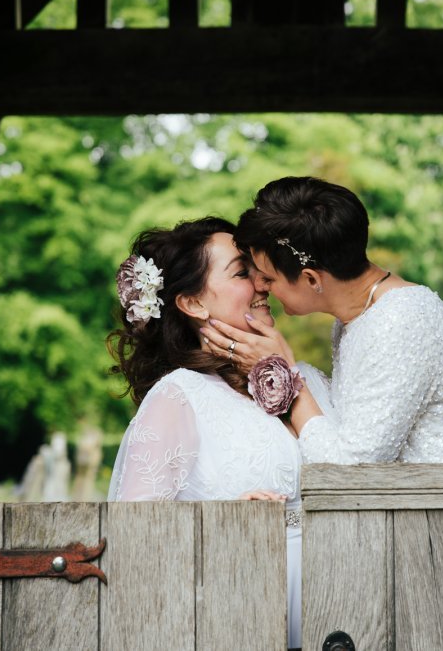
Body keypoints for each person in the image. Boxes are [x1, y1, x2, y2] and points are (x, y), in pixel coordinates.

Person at [106, 217, 304, 649]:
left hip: (338, 616)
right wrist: (220, 524)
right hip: (239, 624)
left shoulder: (309, 382)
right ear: (194, 303)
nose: (263, 282)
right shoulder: (179, 397)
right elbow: (133, 544)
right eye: (241, 272)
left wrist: (286, 369)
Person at [201, 176, 443, 464]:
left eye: (268, 277)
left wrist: (284, 372)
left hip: (435, 502)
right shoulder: (358, 316)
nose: (261, 286)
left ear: (311, 279)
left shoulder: (400, 322)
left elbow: (352, 466)